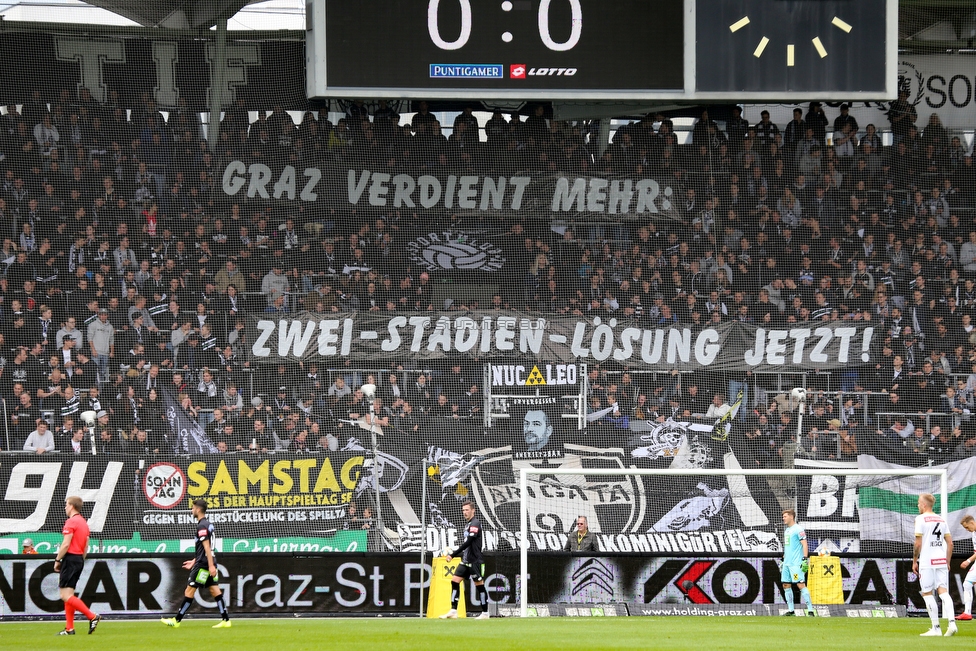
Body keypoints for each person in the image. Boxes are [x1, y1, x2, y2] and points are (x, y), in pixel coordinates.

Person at [161, 498, 232, 628]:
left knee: (189, 591)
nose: (192, 510)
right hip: (207, 562)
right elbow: (205, 548)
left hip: (204, 565)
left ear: (198, 509)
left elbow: (207, 547)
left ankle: (176, 621)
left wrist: (209, 565)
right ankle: (226, 620)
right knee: (215, 590)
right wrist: (195, 560)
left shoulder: (202, 526)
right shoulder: (208, 524)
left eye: (193, 508)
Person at [54, 496, 101, 635]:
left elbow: (66, 544)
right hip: (79, 559)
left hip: (70, 558)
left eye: (66, 505)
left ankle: (92, 616)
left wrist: (57, 560)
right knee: (69, 595)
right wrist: (80, 560)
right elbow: (86, 546)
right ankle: (70, 628)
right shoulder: (84, 523)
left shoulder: (71, 522)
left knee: (65, 595)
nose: (65, 507)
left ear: (72, 506)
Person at [914, 492, 956, 636]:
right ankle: (952, 623)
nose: (918, 505)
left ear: (924, 505)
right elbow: (950, 543)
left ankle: (936, 628)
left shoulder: (920, 519)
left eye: (919, 502)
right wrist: (947, 561)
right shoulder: (942, 520)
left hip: (927, 560)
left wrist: (914, 561)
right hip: (941, 559)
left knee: (927, 592)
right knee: (943, 591)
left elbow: (918, 543)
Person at [440, 500, 489, 619]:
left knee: (479, 585)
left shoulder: (476, 523)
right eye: (463, 510)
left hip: (475, 561)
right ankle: (453, 610)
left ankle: (485, 613)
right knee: (455, 581)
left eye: (467, 510)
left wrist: (453, 554)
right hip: (466, 560)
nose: (464, 512)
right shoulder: (468, 524)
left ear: (473, 510)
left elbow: (469, 542)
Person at [780, 509, 814, 616]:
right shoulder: (787, 530)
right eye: (783, 516)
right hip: (787, 563)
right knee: (786, 585)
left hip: (795, 564)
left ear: (791, 516)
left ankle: (810, 610)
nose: (783, 518)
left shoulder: (798, 529)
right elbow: (789, 546)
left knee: (800, 585)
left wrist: (804, 558)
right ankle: (791, 611)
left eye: (785, 516)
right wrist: (785, 556)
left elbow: (804, 544)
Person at [958, 514, 976, 621]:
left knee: (967, 583)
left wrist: (968, 561)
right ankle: (967, 612)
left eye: (967, 527)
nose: (967, 529)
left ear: (972, 523)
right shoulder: (974, 533)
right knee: (969, 584)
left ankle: (967, 612)